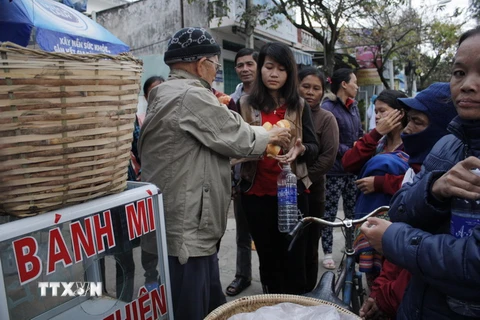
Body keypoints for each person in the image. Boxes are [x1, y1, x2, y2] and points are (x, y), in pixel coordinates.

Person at [138, 27, 291, 320]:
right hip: (188, 227)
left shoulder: (166, 92)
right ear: (201, 64)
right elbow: (238, 135)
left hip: (189, 224)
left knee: (210, 304)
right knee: (193, 309)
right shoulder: (189, 96)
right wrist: (273, 136)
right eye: (215, 64)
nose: (215, 71)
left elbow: (211, 146)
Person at [360, 27, 480, 319]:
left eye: (418, 122)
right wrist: (434, 189)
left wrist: (392, 240)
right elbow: (400, 209)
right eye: (459, 72)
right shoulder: (447, 146)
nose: (467, 85)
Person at [359, 82, 458, 319]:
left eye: (418, 122)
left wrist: (385, 296)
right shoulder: (419, 170)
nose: (407, 130)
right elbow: (402, 232)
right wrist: (379, 291)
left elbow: (424, 255)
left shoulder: (455, 182)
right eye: (408, 120)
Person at [238, 42, 319, 294]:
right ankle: (271, 303)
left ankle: (295, 306)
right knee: (268, 257)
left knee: (295, 257)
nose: (274, 74)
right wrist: (260, 144)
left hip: (293, 194)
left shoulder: (299, 105)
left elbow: (314, 146)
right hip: (256, 194)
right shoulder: (244, 105)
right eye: (269, 67)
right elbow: (234, 146)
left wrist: (300, 150)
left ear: (290, 74)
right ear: (260, 68)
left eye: (282, 69)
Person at [343, 90, 410, 281]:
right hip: (368, 223)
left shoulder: (412, 144)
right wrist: (375, 133)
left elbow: (418, 181)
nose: (378, 116)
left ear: (400, 113)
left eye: (383, 111)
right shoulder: (376, 143)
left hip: (397, 223)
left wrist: (380, 183)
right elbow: (348, 163)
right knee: (372, 277)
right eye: (376, 111)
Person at [297, 66, 339, 291]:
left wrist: (302, 179)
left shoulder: (326, 118)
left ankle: (307, 292)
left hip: (313, 192)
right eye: (305, 87)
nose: (310, 92)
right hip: (282, 192)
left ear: (323, 92)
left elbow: (328, 158)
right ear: (296, 86)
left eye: (316, 88)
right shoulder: (288, 113)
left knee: (309, 246)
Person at [321, 68, 363, 269]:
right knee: (329, 215)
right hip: (334, 171)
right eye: (354, 82)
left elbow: (359, 132)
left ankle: (351, 248)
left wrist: (361, 147)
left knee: (352, 215)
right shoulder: (328, 107)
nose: (357, 86)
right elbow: (330, 142)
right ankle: (327, 252)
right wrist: (351, 150)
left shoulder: (354, 107)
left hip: (352, 170)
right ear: (344, 84)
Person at [225, 48, 259, 297]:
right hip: (242, 175)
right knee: (242, 232)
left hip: (271, 173)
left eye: (249, 64)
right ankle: (242, 275)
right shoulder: (231, 100)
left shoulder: (271, 95)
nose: (245, 69)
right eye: (240, 65)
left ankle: (272, 278)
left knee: (270, 231)